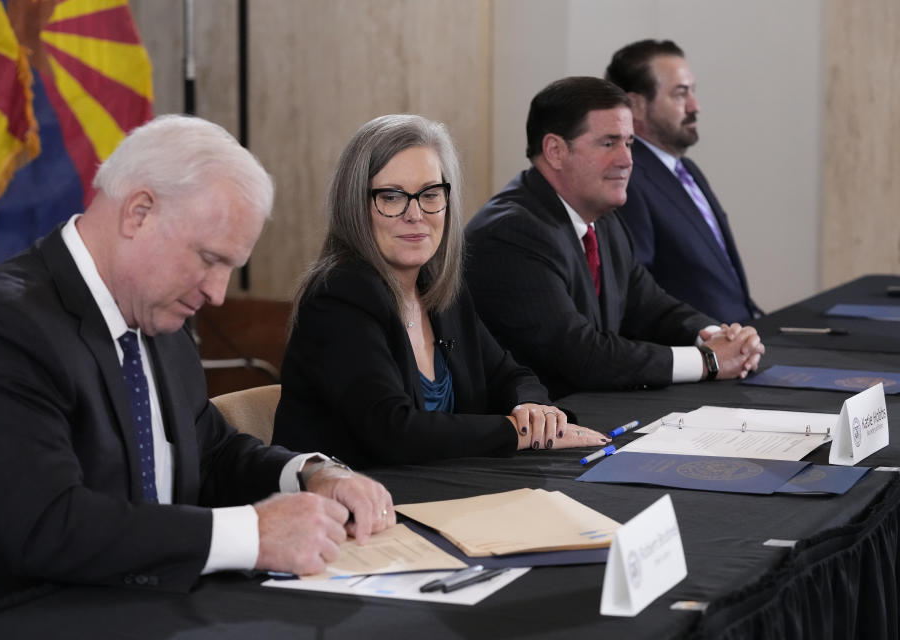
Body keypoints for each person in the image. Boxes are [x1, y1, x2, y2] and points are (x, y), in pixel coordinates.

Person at [0, 115, 394, 614]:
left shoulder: (159, 313)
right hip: (25, 615)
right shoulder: (1, 325)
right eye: (208, 258)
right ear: (139, 212)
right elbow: (49, 525)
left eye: (229, 269)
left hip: (148, 601)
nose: (217, 294)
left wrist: (310, 474)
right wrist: (254, 533)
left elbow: (209, 451)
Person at [272, 114, 609, 468]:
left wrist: (533, 409)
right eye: (391, 197)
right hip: (348, 508)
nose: (415, 214)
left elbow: (509, 375)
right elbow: (395, 431)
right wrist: (518, 432)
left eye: (430, 194)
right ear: (355, 205)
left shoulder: (439, 288)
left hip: (435, 493)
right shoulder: (338, 297)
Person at [464, 77, 764, 399]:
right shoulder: (511, 233)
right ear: (555, 150)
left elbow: (651, 308)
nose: (626, 160)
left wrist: (719, 337)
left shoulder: (603, 219)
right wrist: (708, 360)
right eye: (608, 143)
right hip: (528, 432)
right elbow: (582, 355)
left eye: (629, 142)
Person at [605, 39, 761, 324]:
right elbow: (639, 297)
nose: (695, 106)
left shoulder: (687, 169)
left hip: (737, 344)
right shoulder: (627, 178)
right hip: (699, 354)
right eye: (680, 94)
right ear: (635, 105)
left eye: (693, 91)